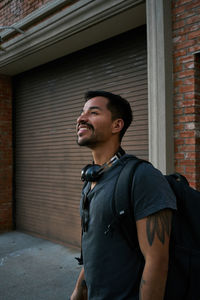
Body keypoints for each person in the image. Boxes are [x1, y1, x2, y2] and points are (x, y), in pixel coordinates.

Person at [70, 91, 176, 300]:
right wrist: (79, 289)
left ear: (116, 125)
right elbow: (98, 245)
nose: (81, 118)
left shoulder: (142, 177)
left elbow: (157, 263)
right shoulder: (92, 179)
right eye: (82, 113)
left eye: (93, 113)